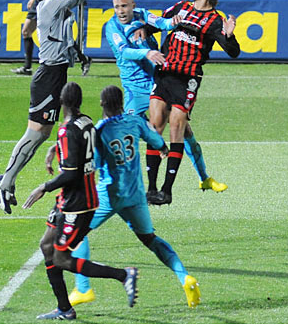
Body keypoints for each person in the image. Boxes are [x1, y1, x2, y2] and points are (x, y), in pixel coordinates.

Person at [0, 0, 118, 214]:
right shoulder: (49, 5)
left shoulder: (55, 5)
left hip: (55, 74)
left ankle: (8, 179)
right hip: (48, 76)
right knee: (35, 134)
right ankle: (5, 181)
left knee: (41, 135)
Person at [67, 85, 201, 308]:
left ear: (102, 104)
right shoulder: (135, 121)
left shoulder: (100, 130)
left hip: (109, 195)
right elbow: (157, 142)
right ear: (121, 103)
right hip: (136, 195)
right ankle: (185, 277)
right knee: (151, 240)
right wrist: (163, 149)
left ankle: (83, 288)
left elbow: (95, 164)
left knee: (77, 233)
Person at [22, 82, 138, 320]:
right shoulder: (85, 121)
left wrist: (43, 187)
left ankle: (123, 275)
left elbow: (72, 173)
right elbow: (86, 149)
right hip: (71, 199)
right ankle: (64, 308)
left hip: (78, 203)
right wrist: (57, 149)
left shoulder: (67, 130)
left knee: (61, 258)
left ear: (61, 102)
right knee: (47, 246)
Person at [105, 0, 228, 196]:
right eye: (117, 7)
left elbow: (162, 23)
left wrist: (174, 21)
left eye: (124, 6)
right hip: (135, 89)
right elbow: (124, 51)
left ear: (133, 5)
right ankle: (123, 182)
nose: (120, 11)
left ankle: (204, 178)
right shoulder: (112, 27)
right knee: (129, 135)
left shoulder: (142, 14)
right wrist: (148, 52)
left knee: (185, 133)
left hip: (157, 81)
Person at [147, 0, 241, 206]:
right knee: (155, 125)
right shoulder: (180, 7)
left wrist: (229, 36)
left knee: (176, 127)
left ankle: (166, 191)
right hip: (165, 73)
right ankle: (150, 188)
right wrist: (142, 31)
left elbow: (233, 51)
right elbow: (159, 24)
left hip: (187, 79)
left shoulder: (215, 20)